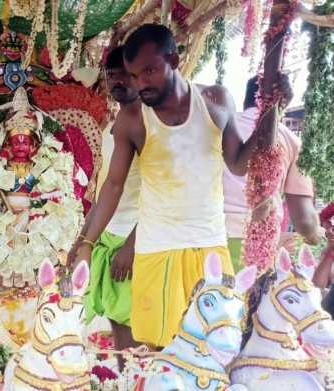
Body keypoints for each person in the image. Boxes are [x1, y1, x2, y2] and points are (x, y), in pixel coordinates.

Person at [74, 24, 289, 349]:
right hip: (156, 249)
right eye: (135, 75)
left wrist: (271, 110)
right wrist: (86, 243)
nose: (141, 83)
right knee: (160, 350)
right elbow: (113, 186)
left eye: (149, 71)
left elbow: (238, 163)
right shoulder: (132, 119)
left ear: (173, 60)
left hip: (210, 244)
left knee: (215, 346)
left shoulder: (215, 100)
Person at [67, 46, 141, 369]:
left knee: (137, 329)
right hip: (109, 236)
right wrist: (84, 237)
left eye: (124, 74)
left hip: (133, 240)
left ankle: (138, 381)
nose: (117, 81)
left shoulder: (147, 123)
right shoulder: (115, 123)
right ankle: (128, 382)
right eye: (111, 76)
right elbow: (104, 191)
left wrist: (133, 244)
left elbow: (160, 192)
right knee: (116, 321)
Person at [224, 76, 322, 272]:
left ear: (246, 101)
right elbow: (303, 221)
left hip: (209, 236)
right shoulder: (291, 139)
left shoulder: (223, 125)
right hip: (258, 244)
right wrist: (315, 233)